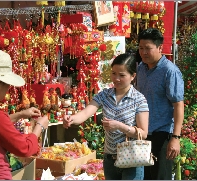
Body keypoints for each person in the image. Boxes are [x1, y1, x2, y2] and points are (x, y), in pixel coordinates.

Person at [63, 53, 149, 180]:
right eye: (114, 73)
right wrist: (71, 119)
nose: (116, 78)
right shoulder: (105, 95)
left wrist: (120, 126)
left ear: (133, 76)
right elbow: (86, 113)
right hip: (110, 159)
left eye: (122, 75)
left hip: (131, 159)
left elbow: (143, 133)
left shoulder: (139, 99)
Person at [0, 48, 49, 180]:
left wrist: (20, 114)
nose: (8, 89)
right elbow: (25, 149)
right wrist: (39, 126)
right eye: (7, 85)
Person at [136, 28, 184, 180]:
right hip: (142, 133)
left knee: (159, 176)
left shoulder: (170, 71)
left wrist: (175, 138)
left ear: (160, 48)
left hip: (162, 134)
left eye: (148, 48)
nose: (143, 52)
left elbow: (178, 105)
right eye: (141, 48)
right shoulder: (140, 68)